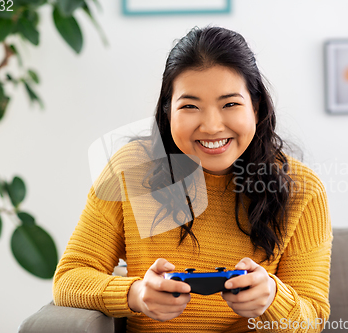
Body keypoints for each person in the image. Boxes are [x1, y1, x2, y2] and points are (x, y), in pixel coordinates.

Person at [53, 26, 333, 332]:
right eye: (189, 106)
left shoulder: (301, 188)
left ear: (255, 108)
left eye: (230, 104)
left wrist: (272, 299)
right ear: (168, 112)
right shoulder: (130, 169)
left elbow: (314, 318)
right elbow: (70, 278)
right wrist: (135, 295)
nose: (212, 126)